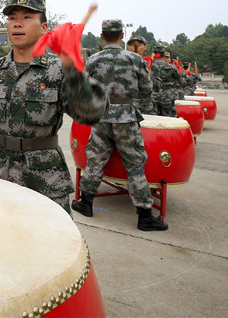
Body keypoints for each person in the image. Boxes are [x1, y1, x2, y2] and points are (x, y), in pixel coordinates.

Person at [0, 0, 107, 215]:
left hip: (46, 179)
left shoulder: (59, 69)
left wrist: (74, 72)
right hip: (1, 173)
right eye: (12, 18)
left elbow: (91, 114)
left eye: (27, 17)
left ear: (44, 27)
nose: (17, 23)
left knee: (52, 243)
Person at [71, 20, 167, 231]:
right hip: (126, 117)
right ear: (122, 35)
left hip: (101, 117)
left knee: (95, 160)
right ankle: (144, 215)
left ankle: (85, 203)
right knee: (134, 165)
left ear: (102, 36)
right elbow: (146, 90)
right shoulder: (134, 59)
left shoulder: (93, 60)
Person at [126, 35, 156, 115]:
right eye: (132, 45)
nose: (136, 47)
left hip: (145, 106)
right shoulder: (124, 64)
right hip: (128, 106)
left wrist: (150, 76)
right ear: (129, 47)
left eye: (139, 45)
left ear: (145, 47)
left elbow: (158, 86)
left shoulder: (151, 65)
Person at [150, 47, 181, 117]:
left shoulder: (149, 66)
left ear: (154, 54)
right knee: (169, 118)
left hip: (153, 94)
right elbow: (180, 80)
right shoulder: (171, 67)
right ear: (164, 55)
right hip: (168, 95)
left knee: (153, 118)